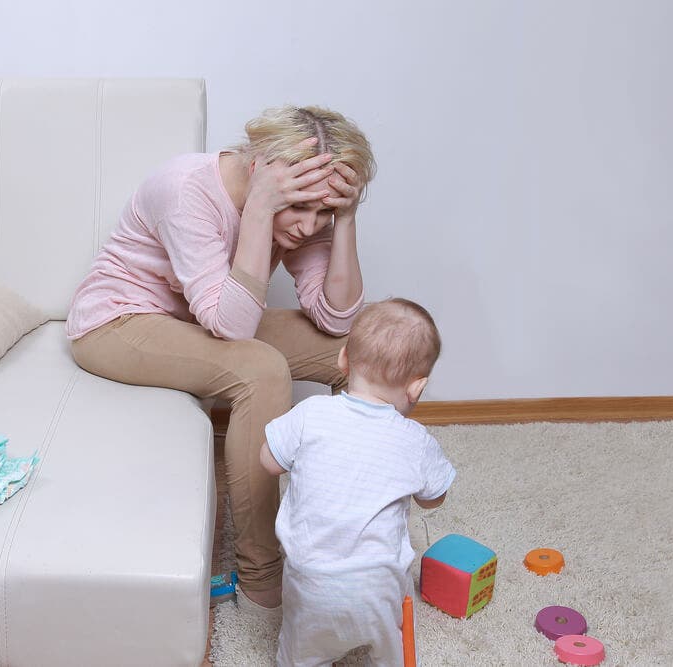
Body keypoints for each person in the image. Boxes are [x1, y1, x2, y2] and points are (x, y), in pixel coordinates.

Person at [66, 105, 376, 611]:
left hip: (200, 318)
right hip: (117, 323)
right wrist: (257, 210)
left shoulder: (308, 208)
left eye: (324, 211)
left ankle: (349, 529)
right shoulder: (186, 187)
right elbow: (230, 328)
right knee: (260, 368)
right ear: (262, 172)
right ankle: (261, 575)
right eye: (300, 207)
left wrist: (344, 219)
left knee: (362, 348)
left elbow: (336, 319)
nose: (306, 226)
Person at [259, 298, 456, 666]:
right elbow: (434, 497)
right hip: (376, 590)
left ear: (343, 359)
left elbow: (268, 462)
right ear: (418, 388)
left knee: (300, 652)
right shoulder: (414, 439)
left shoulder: (311, 413)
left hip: (309, 583)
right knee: (389, 644)